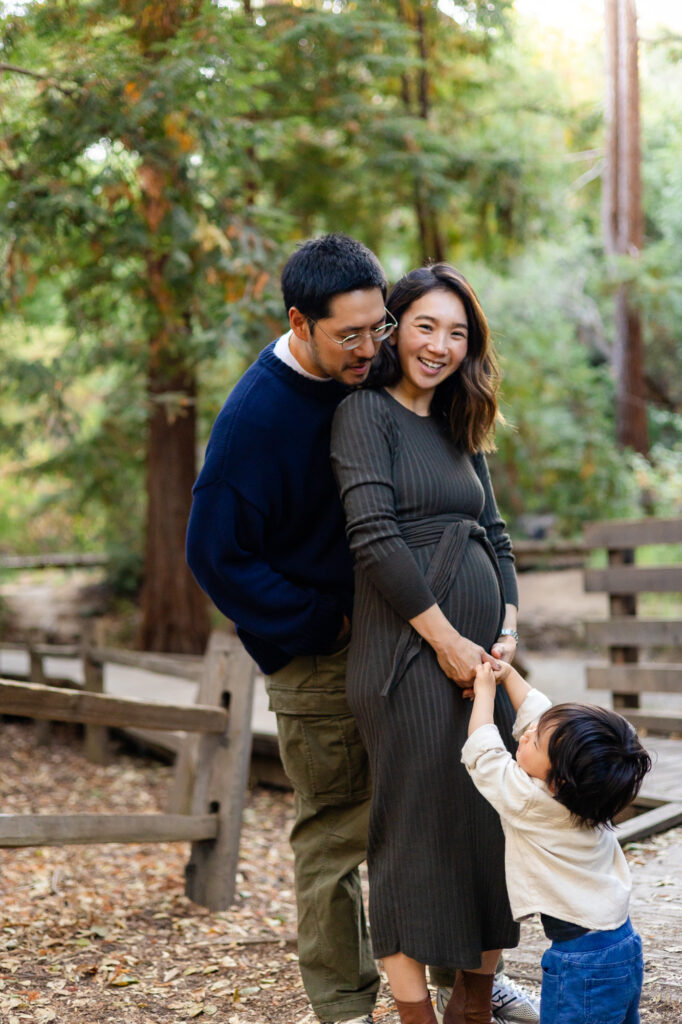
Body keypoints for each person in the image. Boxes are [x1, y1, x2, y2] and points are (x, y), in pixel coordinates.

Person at [187, 239, 538, 1024]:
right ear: (299, 325)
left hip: (404, 632)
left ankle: (464, 976)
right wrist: (320, 620)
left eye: (378, 327)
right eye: (350, 335)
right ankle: (346, 1006)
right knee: (339, 835)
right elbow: (212, 553)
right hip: (321, 649)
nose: (370, 347)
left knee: (444, 807)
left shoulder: (381, 380)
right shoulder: (258, 416)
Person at [331, 263, 526, 1024]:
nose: (440, 346)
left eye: (457, 333)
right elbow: (375, 541)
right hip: (406, 658)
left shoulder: (458, 422)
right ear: (395, 325)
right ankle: (416, 1016)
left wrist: (505, 633)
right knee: (411, 839)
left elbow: (498, 538)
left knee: (491, 826)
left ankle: (473, 1008)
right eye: (426, 326)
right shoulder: (364, 415)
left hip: (484, 664)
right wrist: (447, 643)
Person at [463, 660, 652, 1024]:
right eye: (531, 730)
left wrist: (486, 691)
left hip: (581, 962)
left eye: (533, 741)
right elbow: (541, 714)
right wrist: (510, 675)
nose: (524, 734)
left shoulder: (532, 803)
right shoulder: (591, 798)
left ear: (559, 780)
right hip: (622, 945)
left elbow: (483, 754)